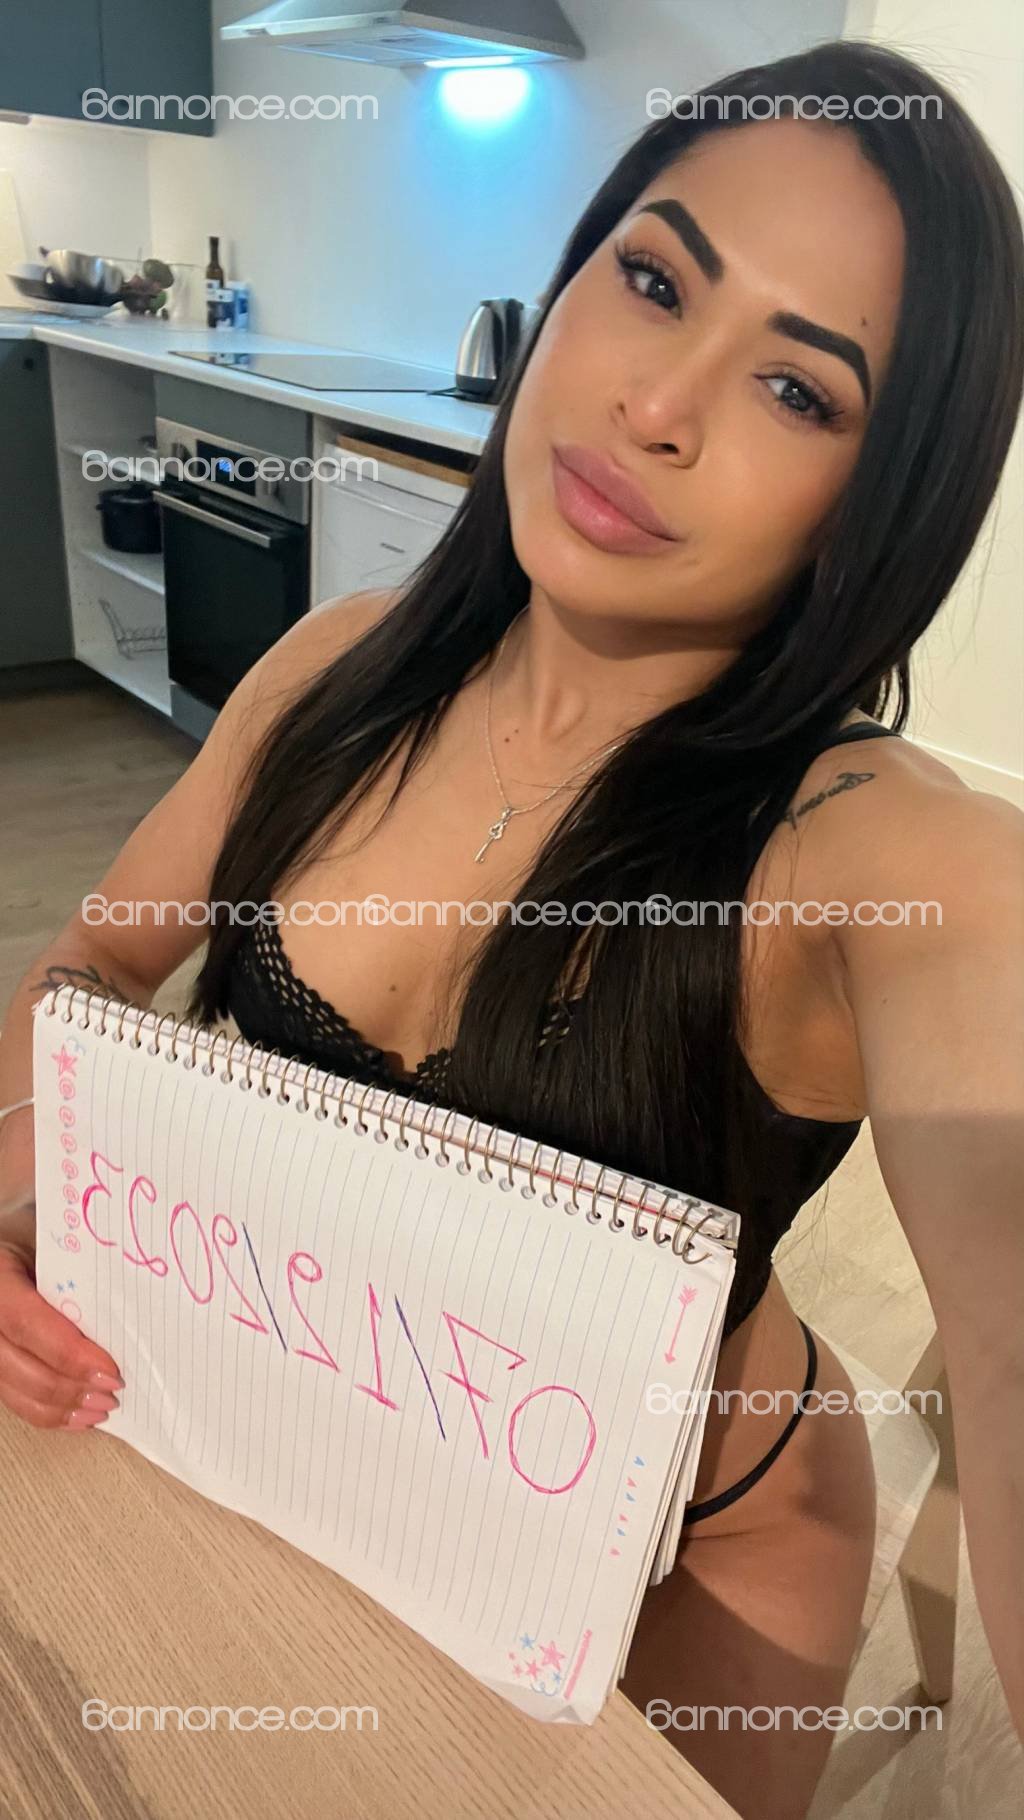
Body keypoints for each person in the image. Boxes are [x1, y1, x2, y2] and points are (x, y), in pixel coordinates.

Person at [1, 38, 1022, 1820]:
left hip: (692, 1541)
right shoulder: (334, 673)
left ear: (884, 495)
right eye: (656, 282)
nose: (656, 406)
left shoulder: (887, 858)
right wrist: (22, 1198)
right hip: (292, 1405)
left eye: (799, 390)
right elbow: (91, 970)